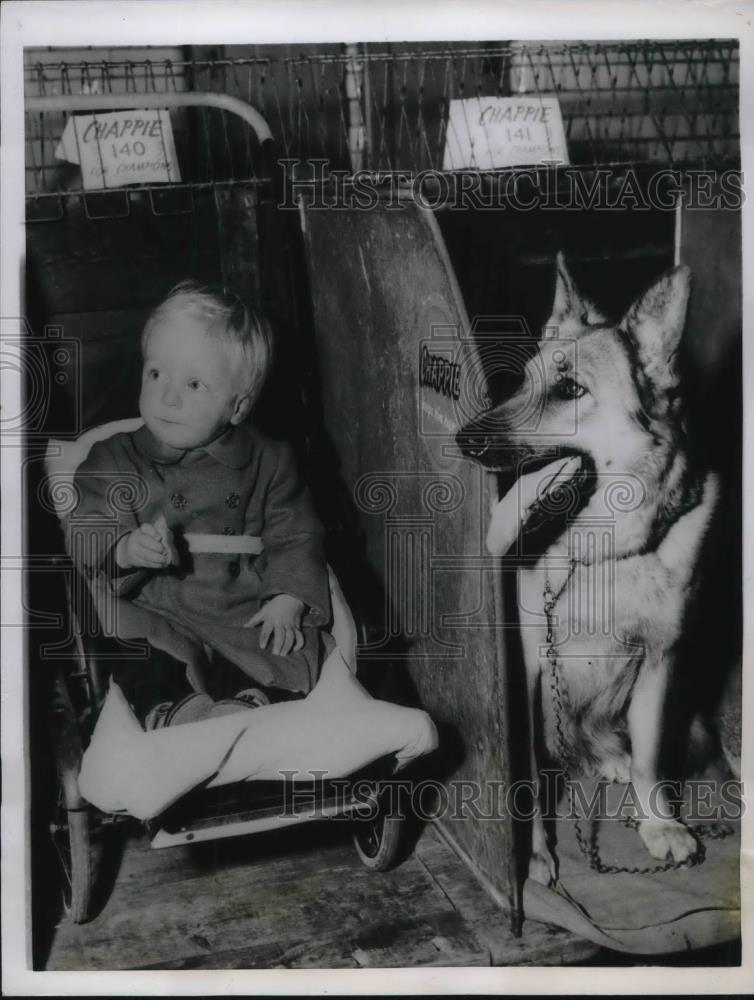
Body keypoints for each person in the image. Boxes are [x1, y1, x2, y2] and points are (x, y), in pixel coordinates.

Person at [66, 281, 332, 727]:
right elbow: (86, 523)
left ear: (238, 406)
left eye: (194, 384)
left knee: (280, 645)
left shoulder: (270, 460)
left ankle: (248, 706)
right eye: (155, 374)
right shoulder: (113, 457)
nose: (168, 397)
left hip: (239, 604)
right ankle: (167, 713)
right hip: (153, 602)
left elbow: (296, 532)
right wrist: (123, 549)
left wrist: (288, 596)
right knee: (127, 645)